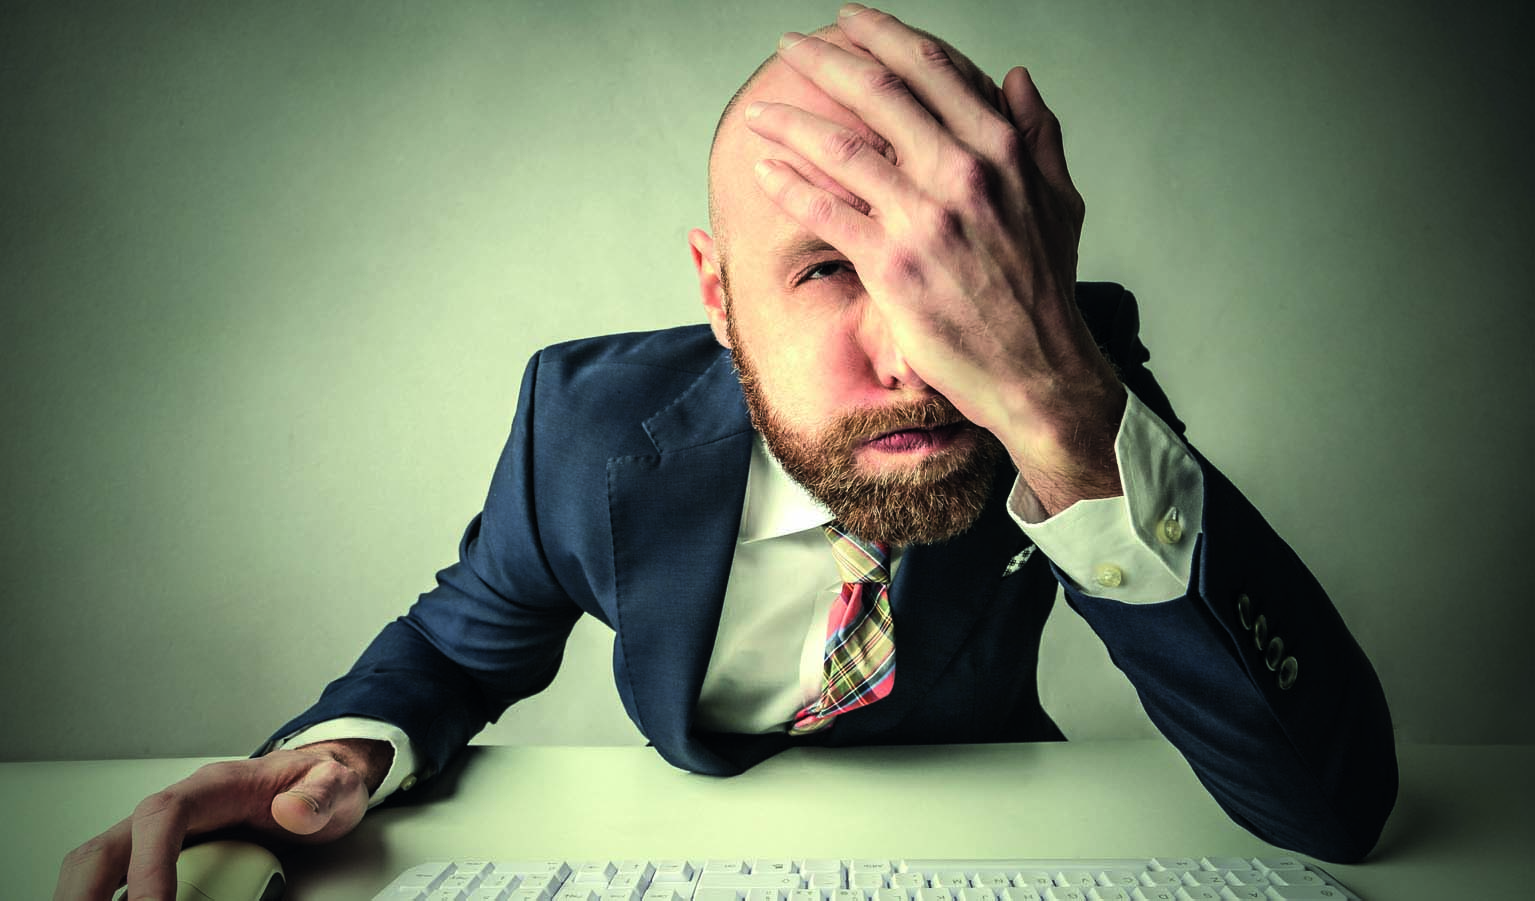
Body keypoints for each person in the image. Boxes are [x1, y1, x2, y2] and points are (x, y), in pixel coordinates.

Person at [55, 6, 1396, 899]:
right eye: (825, 268)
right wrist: (341, 756)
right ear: (718, 291)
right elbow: (460, 652)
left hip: (976, 841)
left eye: (956, 267)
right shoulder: (585, 423)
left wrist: (1057, 404)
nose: (916, 357)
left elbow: (1332, 812)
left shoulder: (1055, 378)